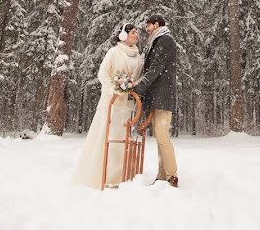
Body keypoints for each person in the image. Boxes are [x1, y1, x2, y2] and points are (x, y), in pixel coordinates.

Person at [72, 23, 143, 189]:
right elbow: (102, 73)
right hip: (110, 102)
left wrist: (131, 85)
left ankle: (119, 177)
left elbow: (138, 77)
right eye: (133, 32)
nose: (137, 35)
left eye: (137, 32)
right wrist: (115, 87)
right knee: (105, 137)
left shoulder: (138, 56)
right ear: (123, 35)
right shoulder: (114, 52)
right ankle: (98, 176)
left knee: (122, 140)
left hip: (127, 105)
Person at [133, 14, 179, 188]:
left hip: (164, 95)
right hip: (158, 96)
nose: (146, 28)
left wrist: (140, 87)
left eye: (148, 25)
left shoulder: (165, 40)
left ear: (157, 24)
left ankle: (172, 175)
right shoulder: (156, 41)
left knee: (162, 136)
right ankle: (162, 174)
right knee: (160, 137)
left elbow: (156, 68)